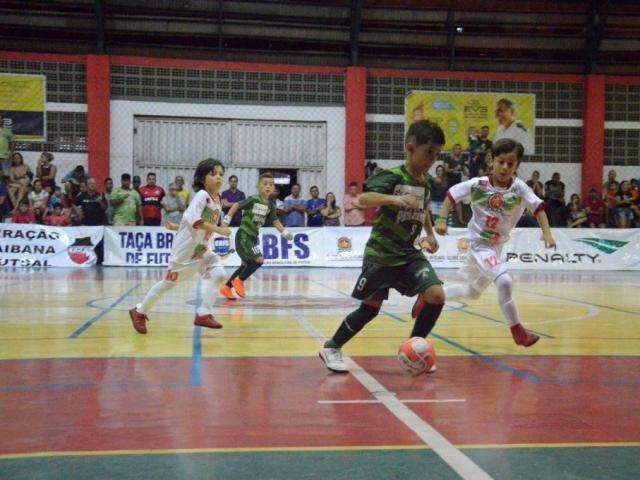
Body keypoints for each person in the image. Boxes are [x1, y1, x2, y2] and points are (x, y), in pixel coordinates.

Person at [319, 120, 446, 373]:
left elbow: (424, 210)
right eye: (428, 152)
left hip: (410, 253)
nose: (432, 159)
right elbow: (363, 199)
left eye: (436, 154)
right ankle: (331, 347)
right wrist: (395, 199)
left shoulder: (427, 183)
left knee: (436, 295)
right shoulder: (393, 176)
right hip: (382, 254)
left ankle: (415, 348)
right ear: (410, 148)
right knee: (370, 309)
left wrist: (430, 234)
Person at [436, 138, 555, 348]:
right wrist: (442, 218)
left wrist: (547, 233)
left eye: (511, 164)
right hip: (479, 245)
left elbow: (539, 209)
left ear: (517, 166)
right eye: (501, 162)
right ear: (492, 160)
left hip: (496, 247)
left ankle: (432, 297)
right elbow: (451, 195)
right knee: (505, 281)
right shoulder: (478, 184)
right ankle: (518, 331)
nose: (505, 167)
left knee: (473, 293)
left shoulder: (519, 189)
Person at [129, 159, 232, 334]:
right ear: (202, 177)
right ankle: (139, 312)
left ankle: (203, 313)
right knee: (168, 283)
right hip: (185, 253)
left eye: (221, 174)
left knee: (219, 273)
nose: (218, 177)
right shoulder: (201, 196)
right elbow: (195, 221)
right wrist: (220, 230)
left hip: (202, 249)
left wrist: (177, 227)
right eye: (213, 174)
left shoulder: (218, 199)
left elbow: (189, 221)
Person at [219, 172, 293, 300]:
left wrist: (285, 233)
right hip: (244, 235)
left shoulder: (270, 205)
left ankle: (226, 288)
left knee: (245, 265)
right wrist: (225, 222)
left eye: (271, 184)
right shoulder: (253, 199)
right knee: (259, 260)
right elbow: (236, 205)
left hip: (252, 238)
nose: (268, 187)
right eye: (265, 184)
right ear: (258, 186)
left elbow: (275, 221)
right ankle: (239, 281)